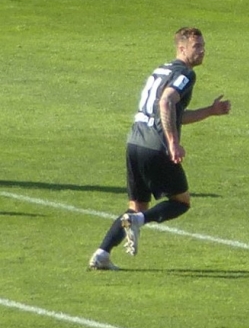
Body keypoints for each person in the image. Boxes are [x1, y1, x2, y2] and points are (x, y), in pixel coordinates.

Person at [90, 27, 231, 270]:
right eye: (197, 46)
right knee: (181, 202)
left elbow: (174, 113)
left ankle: (102, 254)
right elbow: (166, 102)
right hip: (156, 146)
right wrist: (173, 142)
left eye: (203, 46)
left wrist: (210, 111)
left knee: (136, 207)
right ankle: (138, 221)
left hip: (135, 143)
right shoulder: (185, 74)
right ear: (182, 48)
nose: (202, 51)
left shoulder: (161, 70)